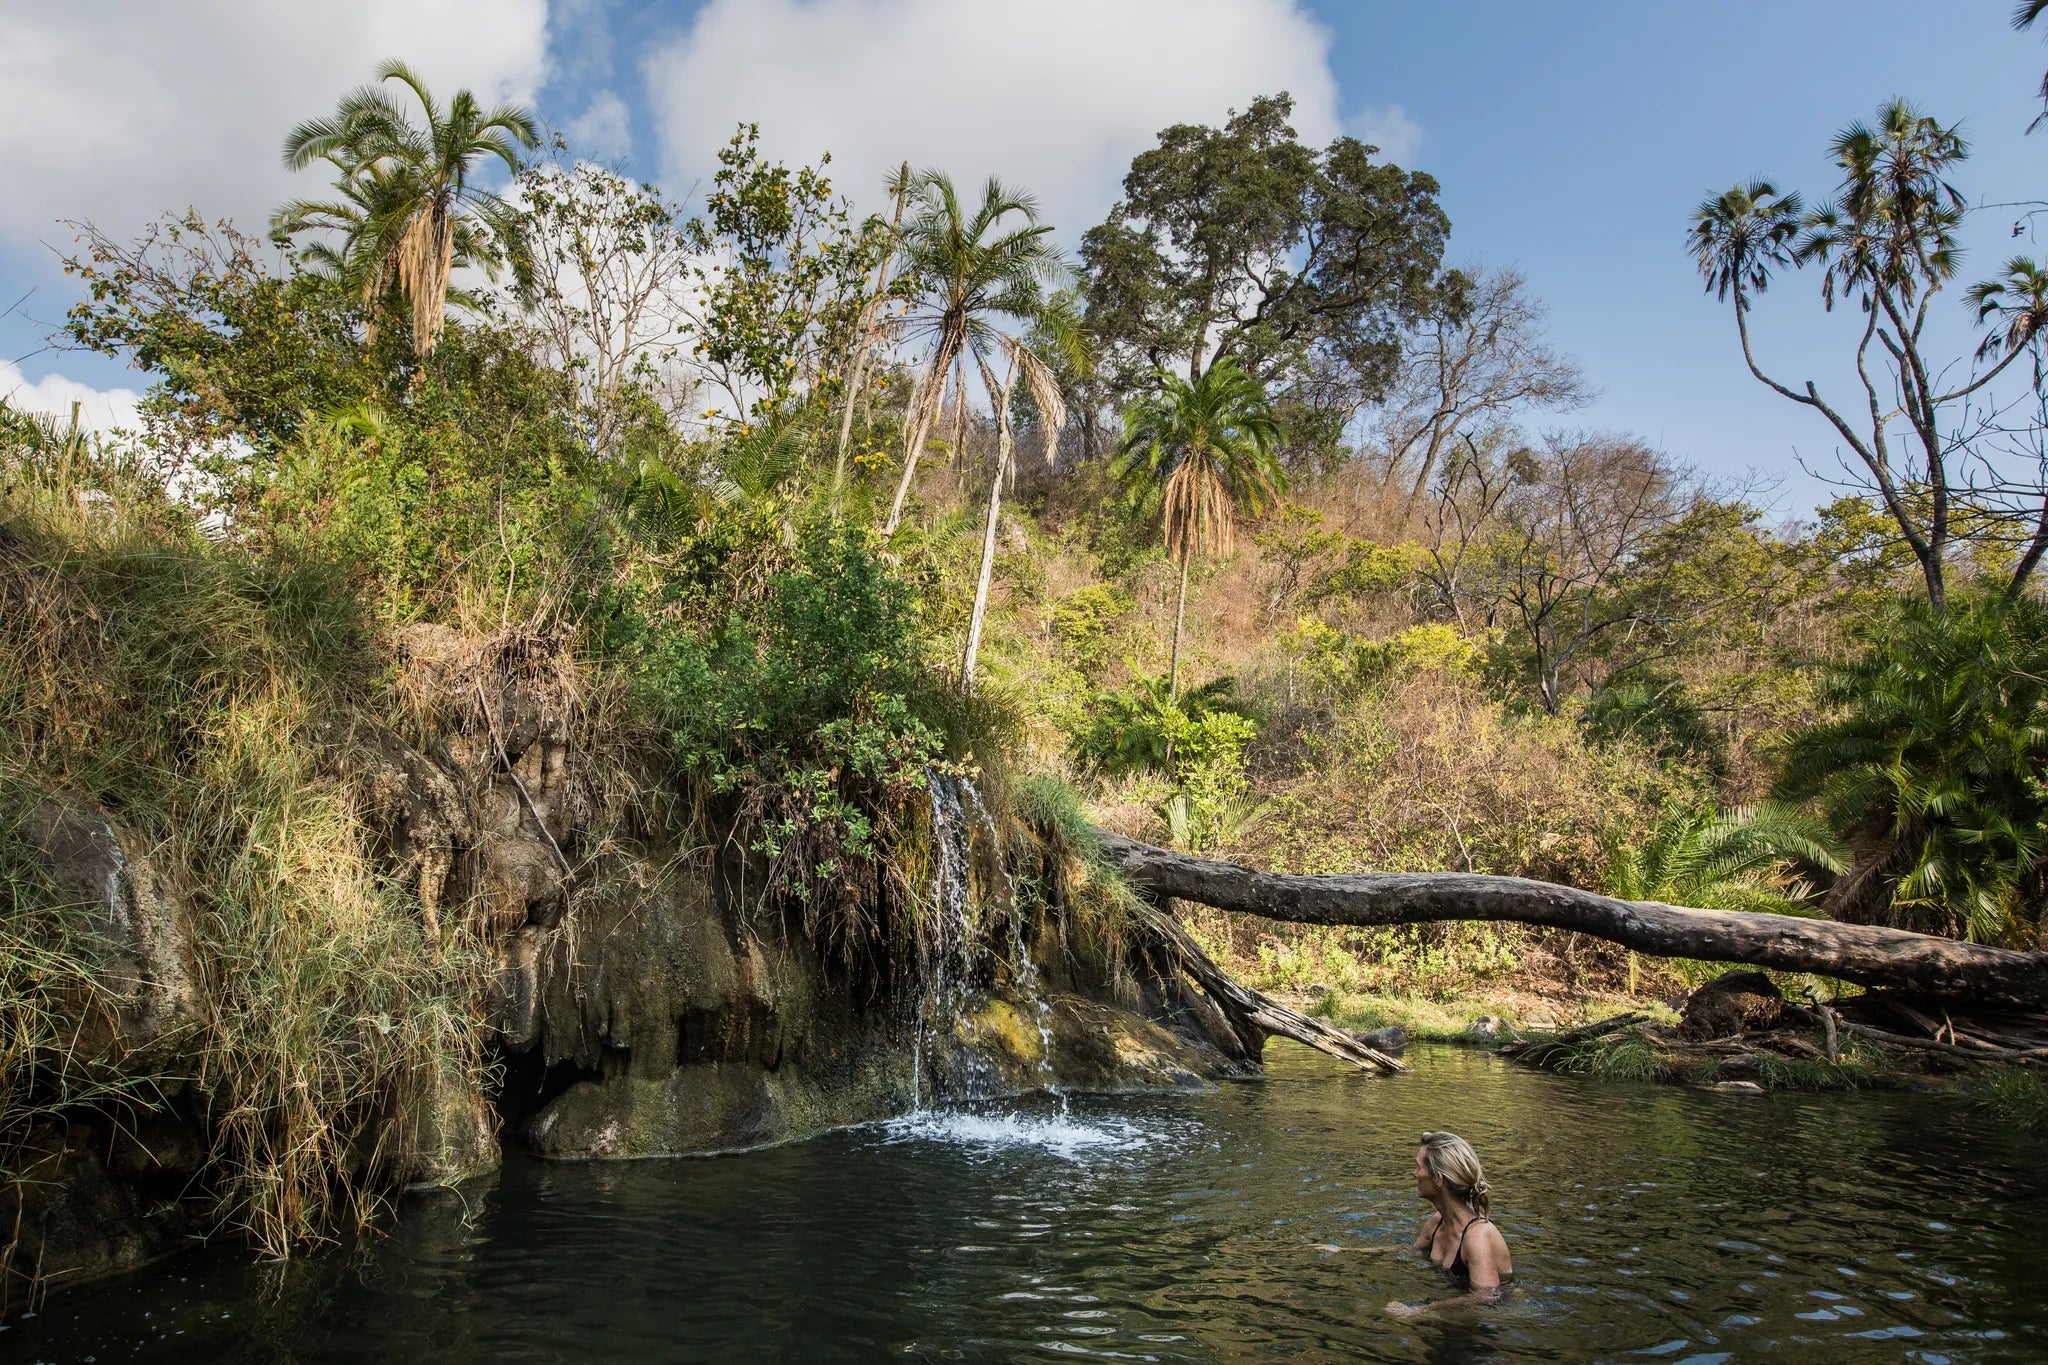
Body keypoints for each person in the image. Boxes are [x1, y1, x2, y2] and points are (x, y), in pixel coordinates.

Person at [1385, 1130, 1512, 1316]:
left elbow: (1486, 1297)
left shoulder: (1478, 1236)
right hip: (1453, 1313)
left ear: (1438, 1179)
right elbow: (1409, 1252)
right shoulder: (1437, 1222)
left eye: (1419, 1167)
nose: (1414, 1174)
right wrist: (1345, 1252)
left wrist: (1419, 1310)